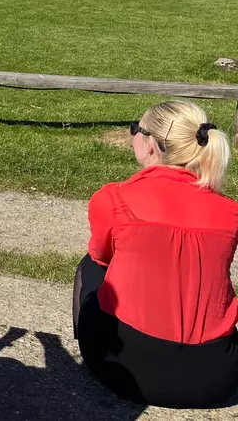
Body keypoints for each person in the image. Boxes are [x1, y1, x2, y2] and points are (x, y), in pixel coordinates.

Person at [74, 100, 238, 409]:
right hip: (216, 377)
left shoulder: (113, 198)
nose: (133, 134)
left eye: (136, 128)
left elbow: (100, 257)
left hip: (123, 368)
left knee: (89, 266)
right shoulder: (231, 212)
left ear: (151, 145)